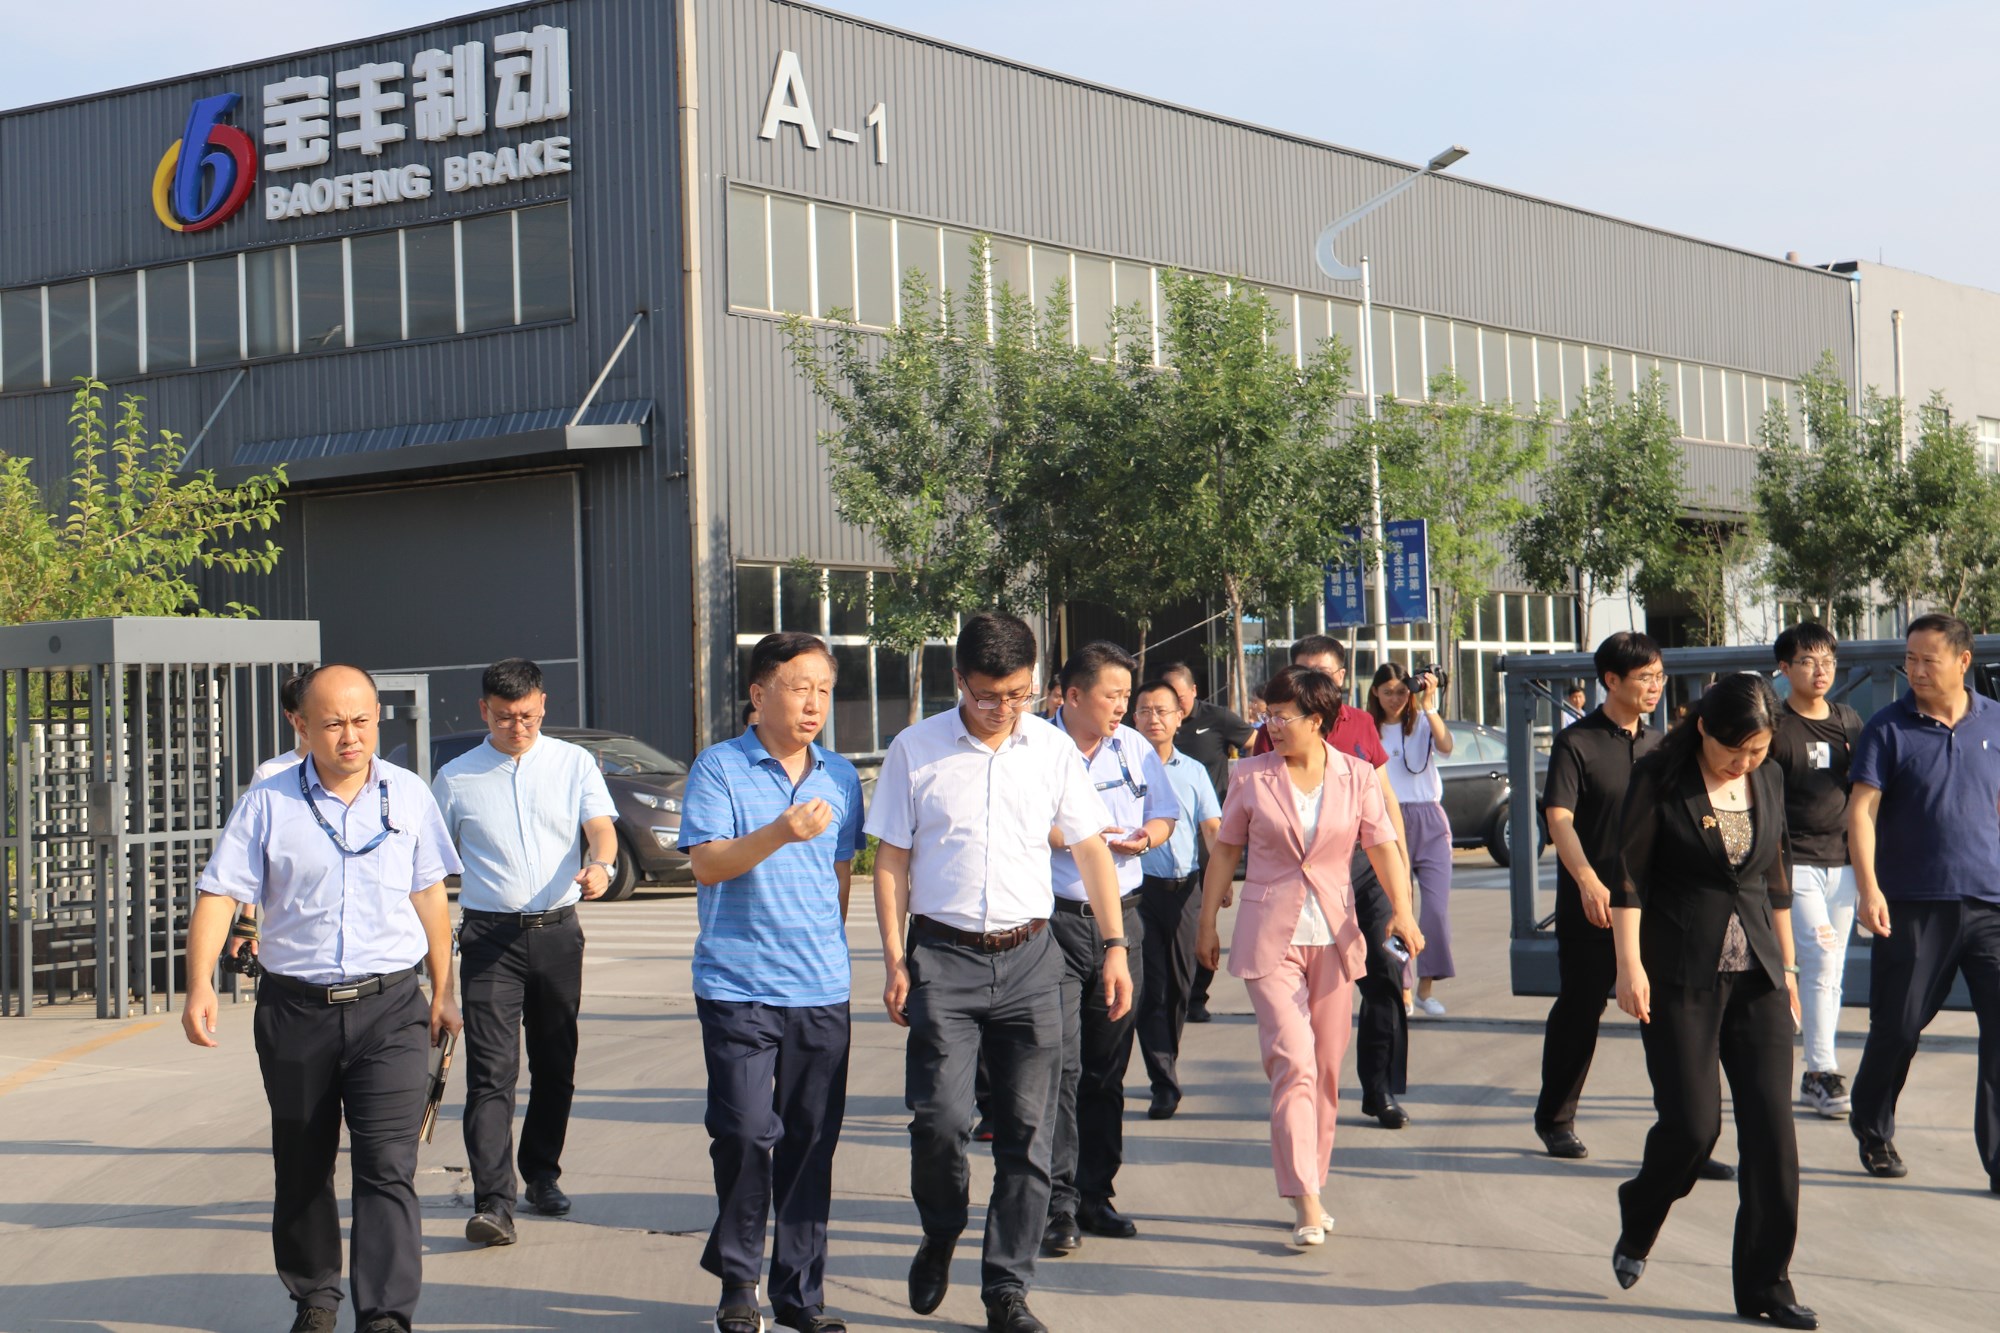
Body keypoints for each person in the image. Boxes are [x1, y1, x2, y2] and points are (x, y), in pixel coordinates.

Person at [868, 612, 1133, 1333]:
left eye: (1017, 693)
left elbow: (1090, 850)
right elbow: (890, 860)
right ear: (958, 681)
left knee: (1027, 1135)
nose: (1003, 709)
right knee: (940, 1121)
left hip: (1030, 959)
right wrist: (895, 957)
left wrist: (1114, 945)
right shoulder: (914, 750)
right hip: (942, 958)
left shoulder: (1050, 750)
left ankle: (1006, 1289)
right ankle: (941, 1225)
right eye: (988, 695)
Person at [180, 664, 463, 1333]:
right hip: (296, 1008)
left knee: (388, 1163)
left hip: (391, 1005)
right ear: (301, 725)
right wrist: (197, 985)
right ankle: (315, 1295)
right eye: (332, 722)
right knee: (302, 1159)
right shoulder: (269, 799)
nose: (350, 735)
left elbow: (428, 892)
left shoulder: (408, 794)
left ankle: (387, 1313)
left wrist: (444, 987)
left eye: (362, 720)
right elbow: (221, 890)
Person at [1610, 673, 1815, 1330]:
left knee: (1774, 1137)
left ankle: (1766, 1282)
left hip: (1757, 974)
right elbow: (1630, 878)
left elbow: (1775, 875)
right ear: (1704, 727)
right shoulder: (1660, 777)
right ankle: (1642, 1208)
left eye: (1757, 751)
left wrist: (1788, 970)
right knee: (1694, 1128)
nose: (1746, 763)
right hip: (1678, 974)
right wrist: (1629, 967)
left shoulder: (1770, 778)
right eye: (1736, 752)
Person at [679, 632, 867, 1333]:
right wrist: (780, 832)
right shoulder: (719, 767)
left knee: (810, 1143)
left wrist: (826, 947)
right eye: (799, 685)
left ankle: (800, 1296)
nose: (814, 700)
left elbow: (840, 876)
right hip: (738, 986)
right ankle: (737, 1281)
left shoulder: (841, 775)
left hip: (820, 988)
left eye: (823, 686)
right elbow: (706, 864)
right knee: (746, 1132)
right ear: (759, 694)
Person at [1195, 666, 1420, 1246]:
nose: (1270, 725)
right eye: (1266, 714)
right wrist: (1207, 922)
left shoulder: (1357, 776)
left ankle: (1310, 1179)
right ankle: (1306, 1199)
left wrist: (1403, 910)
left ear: (1315, 721)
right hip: (1270, 934)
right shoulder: (1250, 775)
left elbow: (1384, 846)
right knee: (1292, 1060)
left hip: (1336, 935)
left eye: (1280, 716)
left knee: (1324, 1068)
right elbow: (1225, 852)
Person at [431, 659, 619, 1246]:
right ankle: (494, 1200)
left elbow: (601, 827)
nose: (520, 727)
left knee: (555, 1064)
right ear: (484, 711)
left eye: (530, 716)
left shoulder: (572, 762)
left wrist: (602, 864)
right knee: (491, 1072)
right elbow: (430, 867)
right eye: (508, 717)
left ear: (544, 705)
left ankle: (542, 1174)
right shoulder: (456, 778)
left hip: (559, 933)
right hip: (490, 940)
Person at [1536, 632, 1731, 1179]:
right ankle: (1555, 1119)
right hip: (1592, 908)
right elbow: (1559, 820)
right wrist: (1588, 882)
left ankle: (1686, 1137)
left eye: (1659, 676)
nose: (1654, 686)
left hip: (1654, 909)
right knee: (1579, 1012)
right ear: (1611, 681)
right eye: (1643, 677)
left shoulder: (1663, 748)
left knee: (1670, 1022)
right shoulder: (1577, 744)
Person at [1848, 613, 2000, 1186]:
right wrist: (1869, 888)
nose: (1914, 669)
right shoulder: (1887, 728)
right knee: (1899, 1027)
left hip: (1991, 904)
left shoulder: (1996, 723)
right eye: (1909, 659)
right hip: (1912, 902)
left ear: (1963, 661)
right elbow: (1861, 811)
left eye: (1926, 659)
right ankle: (1873, 1126)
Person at [1041, 643, 1178, 1257]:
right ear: (1072, 696)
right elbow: (1024, 820)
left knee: (1106, 1068)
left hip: (1122, 922)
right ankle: (1056, 1204)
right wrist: (1086, 841)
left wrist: (1147, 836)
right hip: (1053, 924)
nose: (1124, 707)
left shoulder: (1134, 750)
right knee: (1059, 1068)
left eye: (1127, 695)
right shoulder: (1035, 749)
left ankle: (1096, 1194)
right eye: (1111, 695)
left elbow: (1165, 815)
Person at [1261, 635, 1420, 1129]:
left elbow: (1385, 797)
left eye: (1323, 676)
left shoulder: (1362, 724)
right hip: (1306, 876)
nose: (1310, 684)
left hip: (1363, 869)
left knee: (1384, 980)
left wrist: (1401, 878)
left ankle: (1382, 1089)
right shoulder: (1278, 726)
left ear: (1343, 679)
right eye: (1301, 672)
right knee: (1311, 995)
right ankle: (1308, 1084)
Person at [1769, 624, 1864, 1119]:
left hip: (1842, 863)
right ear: (1784, 669)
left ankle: (1814, 1072)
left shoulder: (1849, 720)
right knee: (1822, 959)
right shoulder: (1775, 725)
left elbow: (1866, 795)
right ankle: (1821, 1070)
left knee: (1832, 969)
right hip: (1794, 863)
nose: (1820, 669)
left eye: (1828, 659)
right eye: (1808, 660)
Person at [1132, 677, 1223, 1120]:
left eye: (1162, 710)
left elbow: (1213, 829)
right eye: (1144, 710)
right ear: (1133, 717)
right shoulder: (1125, 769)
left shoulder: (1194, 772)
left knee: (1181, 985)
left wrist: (1219, 883)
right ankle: (1162, 1080)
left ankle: (1166, 1055)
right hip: (1139, 892)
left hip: (1187, 889)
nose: (1153, 718)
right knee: (1151, 986)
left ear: (1179, 717)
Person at [1162, 661, 1255, 1024]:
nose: (1174, 707)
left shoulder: (1217, 719)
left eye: (1180, 699)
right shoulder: (1150, 726)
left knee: (1205, 918)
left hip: (1210, 833)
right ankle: (1168, 994)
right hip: (1162, 839)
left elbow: (1255, 744)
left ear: (1194, 691)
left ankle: (1197, 996)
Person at [1368, 663, 1456, 1016]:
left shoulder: (1420, 722)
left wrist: (1430, 704)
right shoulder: (1369, 728)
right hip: (1388, 820)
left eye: (1402, 691)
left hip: (1430, 819)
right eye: (1387, 691)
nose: (1395, 698)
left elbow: (1447, 746)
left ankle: (1425, 987)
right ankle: (1402, 989)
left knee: (1435, 910)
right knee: (1397, 909)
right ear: (1375, 692)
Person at [230, 670, 313, 969]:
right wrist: (247, 920)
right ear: (292, 718)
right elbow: (253, 856)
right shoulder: (271, 775)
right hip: (290, 930)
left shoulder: (370, 775)